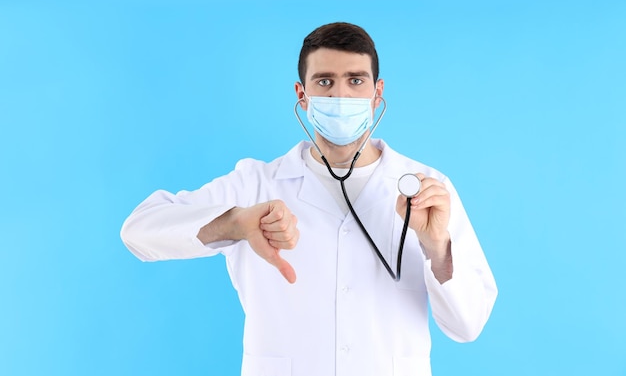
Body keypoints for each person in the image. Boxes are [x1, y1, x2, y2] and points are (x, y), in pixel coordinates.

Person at [121, 22, 497, 376]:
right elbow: (138, 231)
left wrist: (438, 248)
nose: (340, 95)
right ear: (302, 95)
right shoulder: (255, 184)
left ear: (377, 93)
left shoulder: (427, 189)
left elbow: (468, 326)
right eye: (324, 81)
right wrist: (234, 222)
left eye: (355, 80)